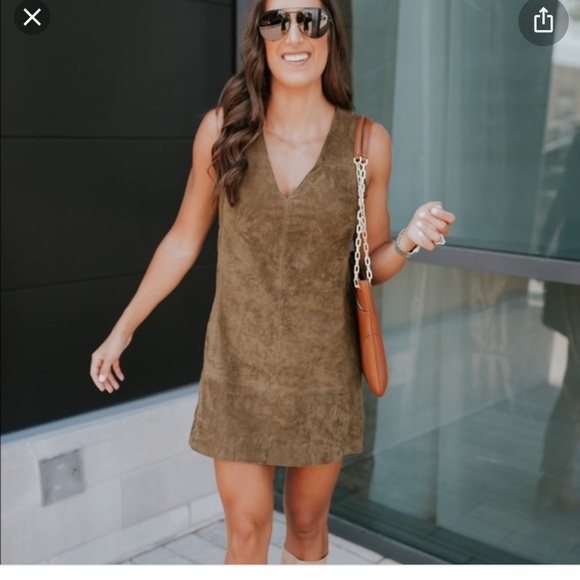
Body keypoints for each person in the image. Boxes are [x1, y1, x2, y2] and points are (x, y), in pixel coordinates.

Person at [90, 0, 455, 565]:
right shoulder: (223, 131)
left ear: (331, 34)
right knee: (246, 529)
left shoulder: (366, 143)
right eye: (276, 21)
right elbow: (183, 240)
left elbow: (371, 266)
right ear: (259, 37)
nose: (294, 35)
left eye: (310, 20)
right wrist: (123, 328)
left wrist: (408, 238)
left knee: (307, 527)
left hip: (324, 373)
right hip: (238, 369)